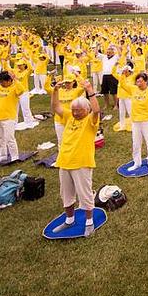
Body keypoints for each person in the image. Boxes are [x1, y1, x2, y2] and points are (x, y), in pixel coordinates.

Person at [51, 79, 100, 227]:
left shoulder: (91, 121)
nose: (76, 113)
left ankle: (89, 222)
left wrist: (90, 90)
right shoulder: (69, 116)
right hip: (64, 161)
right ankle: (69, 219)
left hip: (82, 162)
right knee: (66, 193)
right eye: (74, 110)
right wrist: (55, 91)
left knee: (85, 194)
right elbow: (56, 106)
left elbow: (97, 110)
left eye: (79, 110)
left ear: (87, 110)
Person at [117, 70, 148, 172]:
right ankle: (137, 162)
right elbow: (122, 85)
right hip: (136, 121)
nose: (139, 83)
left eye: (141, 81)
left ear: (146, 81)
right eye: (137, 81)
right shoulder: (133, 89)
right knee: (136, 143)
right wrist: (123, 74)